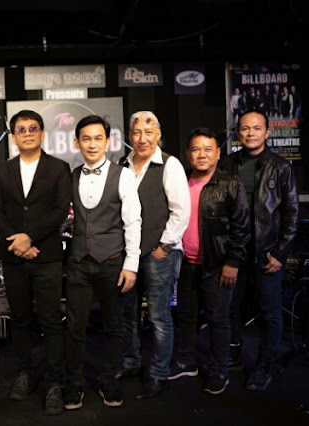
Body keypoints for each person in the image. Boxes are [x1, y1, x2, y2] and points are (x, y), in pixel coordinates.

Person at [0, 109, 72, 415]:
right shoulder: (2, 170)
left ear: (42, 134)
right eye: (21, 129)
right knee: (20, 319)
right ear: (13, 137)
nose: (27, 133)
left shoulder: (59, 168)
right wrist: (18, 242)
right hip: (13, 256)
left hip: (46, 256)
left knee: (51, 321)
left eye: (32, 128)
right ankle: (24, 374)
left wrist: (30, 238)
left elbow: (60, 210)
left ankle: (55, 383)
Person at [63, 115, 141, 410]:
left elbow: (133, 221)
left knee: (114, 326)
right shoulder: (71, 175)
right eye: (86, 138)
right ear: (77, 142)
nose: (92, 144)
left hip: (112, 261)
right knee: (75, 326)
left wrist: (131, 264)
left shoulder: (123, 174)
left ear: (108, 141)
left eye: (98, 138)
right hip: (79, 262)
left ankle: (109, 380)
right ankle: (75, 383)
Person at [220, 110, 298, 391]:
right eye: (245, 128)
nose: (250, 133)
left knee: (269, 312)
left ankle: (264, 363)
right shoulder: (227, 164)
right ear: (238, 133)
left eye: (256, 128)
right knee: (231, 307)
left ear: (267, 132)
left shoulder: (281, 167)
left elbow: (291, 213)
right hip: (235, 253)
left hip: (267, 253)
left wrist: (280, 253)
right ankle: (234, 352)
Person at [169, 128, 250, 395]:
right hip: (185, 263)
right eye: (196, 149)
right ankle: (186, 362)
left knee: (218, 319)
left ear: (217, 153)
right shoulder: (179, 182)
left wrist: (233, 262)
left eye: (207, 149)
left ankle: (219, 370)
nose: (201, 155)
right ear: (188, 153)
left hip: (217, 265)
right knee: (186, 316)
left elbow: (241, 227)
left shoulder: (230, 184)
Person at [117, 111, 191, 399]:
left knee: (159, 318)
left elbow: (180, 211)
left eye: (149, 132)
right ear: (130, 135)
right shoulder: (122, 165)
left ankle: (159, 374)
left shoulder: (170, 164)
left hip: (159, 253)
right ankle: (132, 363)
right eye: (137, 132)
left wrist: (164, 246)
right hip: (129, 255)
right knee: (129, 315)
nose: (142, 138)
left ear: (158, 135)